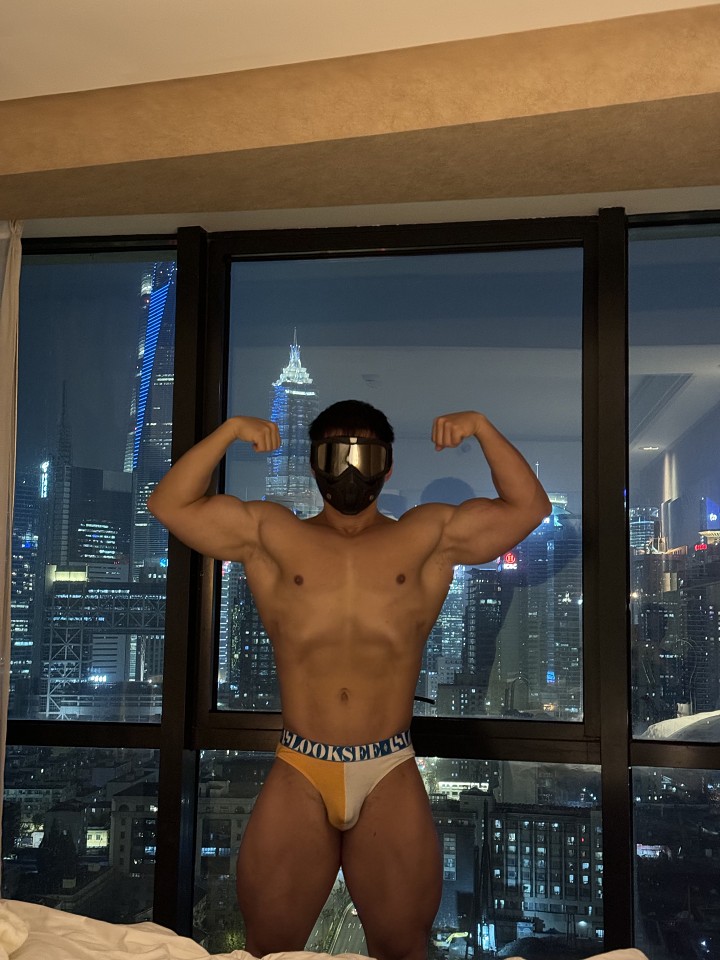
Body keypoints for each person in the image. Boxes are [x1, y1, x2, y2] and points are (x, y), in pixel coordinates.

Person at [147, 400, 551, 960]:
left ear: (388, 466)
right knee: (270, 948)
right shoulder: (272, 533)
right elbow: (169, 503)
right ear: (315, 462)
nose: (351, 471)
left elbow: (529, 507)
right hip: (301, 761)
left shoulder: (427, 535)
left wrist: (482, 426)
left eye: (366, 456)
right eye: (336, 455)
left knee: (403, 947)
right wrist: (231, 429)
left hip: (387, 765)